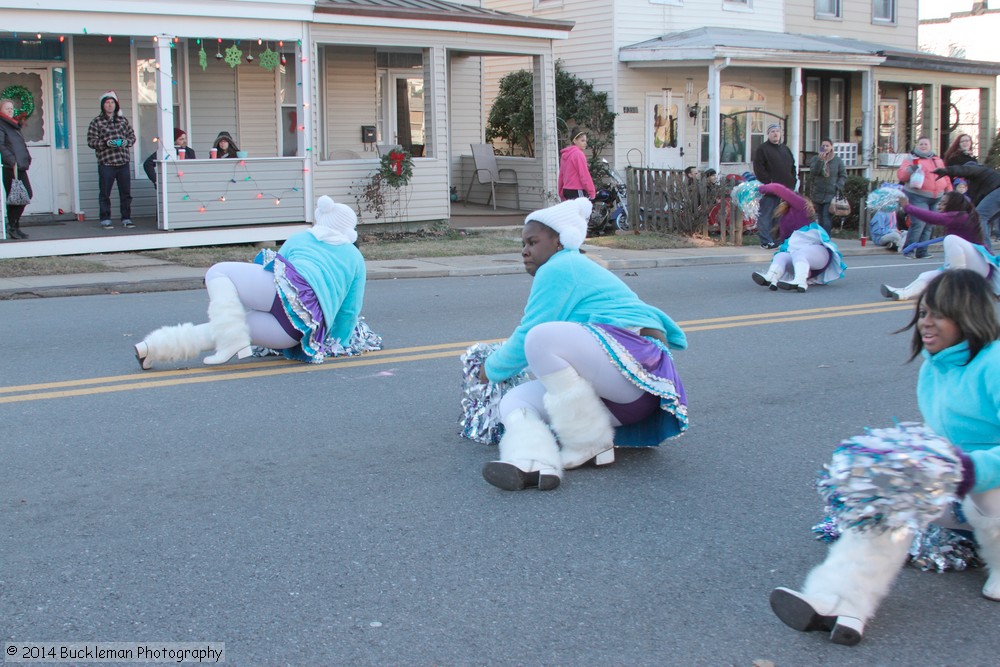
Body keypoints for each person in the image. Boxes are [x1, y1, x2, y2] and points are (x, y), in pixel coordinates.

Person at [770, 269, 1000, 646]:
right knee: (889, 496)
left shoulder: (994, 364)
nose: (925, 322)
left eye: (936, 313)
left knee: (990, 493)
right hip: (959, 487)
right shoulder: (934, 367)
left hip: (988, 493)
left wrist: (973, 469)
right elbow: (942, 439)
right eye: (923, 312)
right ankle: (840, 601)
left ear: (967, 314)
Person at [477, 197, 689, 491]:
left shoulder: (563, 266)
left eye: (533, 242)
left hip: (637, 376)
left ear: (560, 242)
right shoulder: (565, 267)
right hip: (613, 396)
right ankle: (531, 462)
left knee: (540, 337)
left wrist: (490, 368)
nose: (525, 251)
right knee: (515, 402)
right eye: (522, 244)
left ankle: (588, 441)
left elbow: (530, 334)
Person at [134, 196, 373, 369]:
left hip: (279, 293)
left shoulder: (300, 239)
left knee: (218, 272)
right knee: (226, 331)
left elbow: (270, 272)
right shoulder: (355, 257)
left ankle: (154, 346)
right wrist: (336, 343)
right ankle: (152, 348)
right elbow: (349, 311)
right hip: (294, 331)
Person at [879, 191, 999, 300]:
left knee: (951, 239)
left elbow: (934, 218)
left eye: (943, 203)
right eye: (940, 203)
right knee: (926, 276)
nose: (939, 206)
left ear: (954, 204)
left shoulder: (963, 217)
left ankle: (958, 284)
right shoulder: (960, 218)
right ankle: (903, 294)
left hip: (981, 266)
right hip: (972, 268)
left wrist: (907, 207)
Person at [750, 182, 845, 292]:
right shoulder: (784, 218)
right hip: (803, 263)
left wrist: (758, 188)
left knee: (799, 253)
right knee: (780, 256)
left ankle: (800, 281)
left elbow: (777, 188)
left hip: (818, 254)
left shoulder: (802, 206)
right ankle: (771, 277)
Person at [87, 90, 136, 230]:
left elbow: (132, 137)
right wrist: (106, 143)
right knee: (105, 193)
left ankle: (126, 218)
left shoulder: (123, 120)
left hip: (123, 162)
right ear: (103, 105)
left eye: (112, 102)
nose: (110, 105)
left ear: (116, 105)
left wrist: (125, 142)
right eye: (107, 103)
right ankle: (105, 219)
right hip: (106, 163)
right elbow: (91, 141)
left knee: (125, 193)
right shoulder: (97, 122)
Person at [897, 137, 952, 259]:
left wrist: (950, 192)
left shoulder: (937, 160)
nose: (923, 146)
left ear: (930, 146)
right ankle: (909, 250)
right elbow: (902, 175)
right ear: (917, 145)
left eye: (926, 144)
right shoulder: (911, 159)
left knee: (930, 224)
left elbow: (946, 177)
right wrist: (912, 168)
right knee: (919, 223)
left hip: (936, 197)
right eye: (921, 144)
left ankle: (922, 252)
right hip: (918, 196)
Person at [752, 123, 797, 249]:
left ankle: (776, 239)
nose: (775, 133)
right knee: (766, 215)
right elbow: (759, 168)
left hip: (786, 190)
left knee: (780, 216)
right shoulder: (763, 149)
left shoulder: (785, 149)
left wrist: (793, 181)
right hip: (771, 190)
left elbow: (792, 166)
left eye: (777, 131)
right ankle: (765, 241)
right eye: (772, 131)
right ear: (768, 134)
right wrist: (768, 183)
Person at [934, 163, 1000, 245]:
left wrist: (947, 170)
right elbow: (975, 204)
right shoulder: (977, 183)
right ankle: (980, 247)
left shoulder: (978, 170)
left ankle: (985, 250)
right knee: (985, 220)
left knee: (980, 217)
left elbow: (965, 170)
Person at [0, 97, 32, 240]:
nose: (10, 111)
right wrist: (12, 161)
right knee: (16, 197)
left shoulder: (13, 125)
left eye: (12, 108)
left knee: (23, 196)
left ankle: (15, 226)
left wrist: (27, 157)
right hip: (10, 167)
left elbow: (20, 145)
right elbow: (1, 145)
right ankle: (12, 226)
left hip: (20, 166)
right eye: (7, 108)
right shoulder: (1, 124)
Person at [808, 139, 847, 235]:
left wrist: (838, 186)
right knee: (819, 217)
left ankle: (826, 238)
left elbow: (843, 175)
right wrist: (821, 161)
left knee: (826, 217)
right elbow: (813, 173)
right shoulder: (816, 159)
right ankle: (821, 237)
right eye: (823, 146)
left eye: (827, 146)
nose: (825, 148)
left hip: (830, 193)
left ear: (831, 147)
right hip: (818, 192)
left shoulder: (837, 160)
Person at [557, 128, 595, 201]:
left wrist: (561, 191)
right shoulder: (578, 154)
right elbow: (584, 175)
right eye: (582, 140)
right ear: (574, 141)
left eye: (585, 141)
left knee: (570, 212)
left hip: (566, 190)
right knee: (581, 212)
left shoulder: (565, 155)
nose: (585, 143)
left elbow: (562, 174)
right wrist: (591, 192)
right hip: (577, 190)